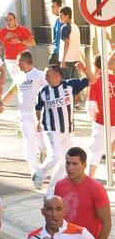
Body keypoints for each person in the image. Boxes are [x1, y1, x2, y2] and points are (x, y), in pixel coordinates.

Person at [33, 63, 94, 192]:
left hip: (68, 131)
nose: (45, 79)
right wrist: (38, 120)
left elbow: (92, 80)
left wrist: (84, 69)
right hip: (51, 129)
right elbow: (38, 108)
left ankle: (51, 192)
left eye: (47, 76)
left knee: (63, 163)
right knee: (55, 156)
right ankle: (39, 172)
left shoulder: (70, 85)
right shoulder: (43, 91)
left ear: (57, 76)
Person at [54, 147, 111, 239]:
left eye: (74, 164)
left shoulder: (96, 188)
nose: (70, 168)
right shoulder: (60, 185)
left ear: (84, 165)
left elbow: (107, 224)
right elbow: (56, 217)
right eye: (68, 163)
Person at [0, 51, 47, 177]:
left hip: (39, 115)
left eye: (18, 62)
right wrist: (0, 104)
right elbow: (11, 92)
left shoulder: (40, 75)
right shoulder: (19, 77)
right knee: (29, 141)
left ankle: (43, 150)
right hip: (24, 116)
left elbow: (50, 91)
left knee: (41, 139)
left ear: (24, 62)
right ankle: (34, 169)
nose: (17, 64)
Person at [19, 195, 104, 239]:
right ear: (43, 212)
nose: (54, 214)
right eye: (49, 209)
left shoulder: (80, 234)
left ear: (64, 212)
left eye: (58, 209)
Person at [87, 55, 115, 177]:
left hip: (102, 121)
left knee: (96, 151)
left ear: (95, 67)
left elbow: (91, 106)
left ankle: (89, 177)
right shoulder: (113, 78)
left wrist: (93, 120)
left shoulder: (95, 81)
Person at [0, 12, 35, 81]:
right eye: (7, 20)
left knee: (26, 80)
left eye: (10, 19)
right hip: (10, 61)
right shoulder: (3, 32)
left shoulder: (22, 29)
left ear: (15, 20)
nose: (8, 22)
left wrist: (20, 41)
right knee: (17, 81)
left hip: (23, 60)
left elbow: (33, 43)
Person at [59, 6, 81, 79]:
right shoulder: (76, 27)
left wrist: (63, 60)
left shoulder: (65, 27)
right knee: (75, 85)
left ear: (67, 15)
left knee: (66, 85)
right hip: (76, 59)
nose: (60, 17)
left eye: (61, 15)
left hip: (67, 60)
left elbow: (66, 43)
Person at [48, 0, 63, 65]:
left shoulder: (62, 21)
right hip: (55, 51)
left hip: (59, 53)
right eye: (51, 7)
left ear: (59, 7)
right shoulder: (56, 20)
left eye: (53, 7)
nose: (52, 9)